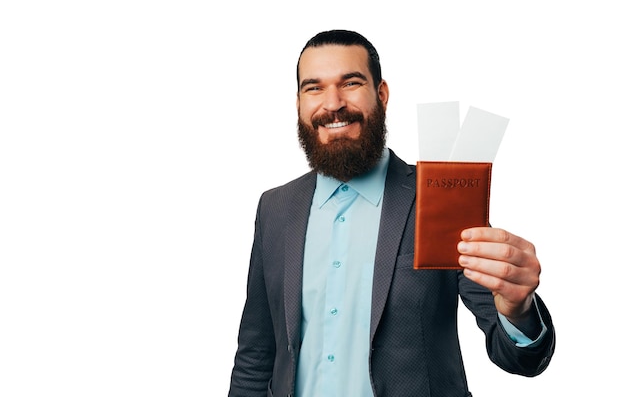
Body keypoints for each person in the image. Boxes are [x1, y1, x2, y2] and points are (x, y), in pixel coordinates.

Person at [228, 29, 555, 397]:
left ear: (381, 95)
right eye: (314, 88)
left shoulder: (439, 199)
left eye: (350, 83)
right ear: (299, 102)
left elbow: (519, 355)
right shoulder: (275, 208)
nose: (332, 103)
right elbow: (256, 355)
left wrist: (519, 309)